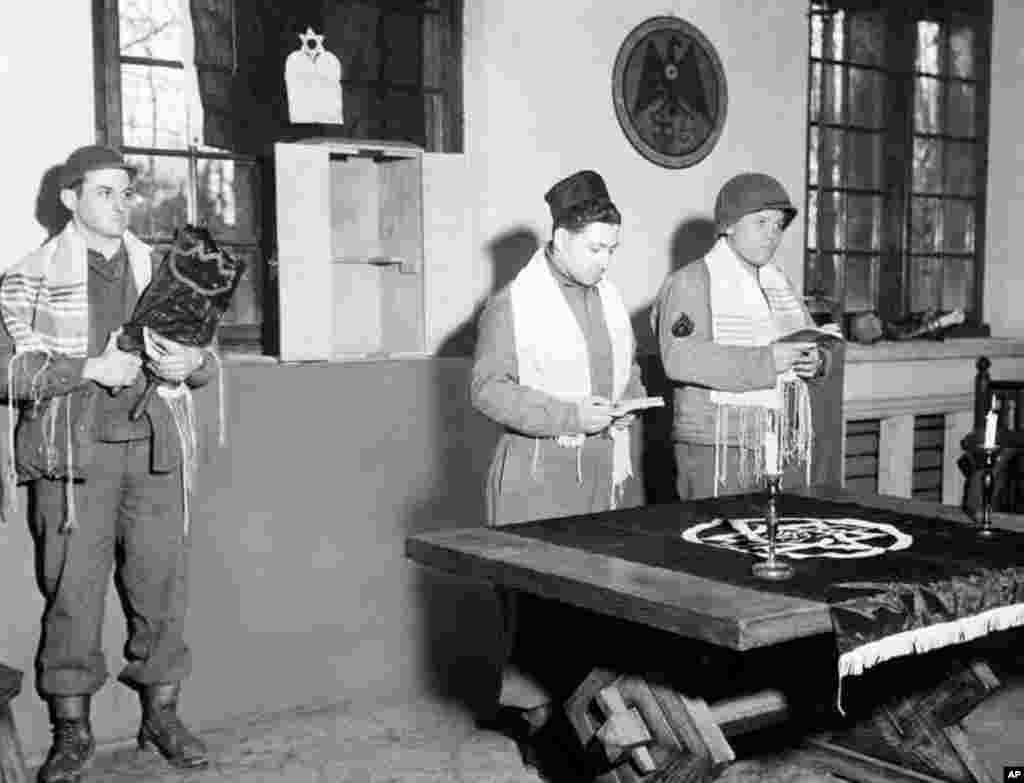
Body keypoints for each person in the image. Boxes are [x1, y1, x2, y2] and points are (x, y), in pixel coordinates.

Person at [0, 145, 215, 783]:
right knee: (71, 599)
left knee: (161, 593)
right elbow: (5, 371)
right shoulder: (27, 278)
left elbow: (204, 358)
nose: (120, 205)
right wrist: (88, 368)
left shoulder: (167, 272)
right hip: (72, 463)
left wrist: (191, 365)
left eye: (126, 193)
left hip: (152, 456)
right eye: (104, 192)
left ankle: (162, 717)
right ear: (70, 198)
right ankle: (73, 735)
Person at [470, 169, 646, 775]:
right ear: (561, 237)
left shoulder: (610, 300)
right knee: (540, 610)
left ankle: (589, 716)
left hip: (605, 469)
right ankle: (540, 726)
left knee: (601, 604)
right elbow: (488, 391)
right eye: (595, 248)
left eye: (612, 250)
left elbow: (627, 374)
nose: (605, 261)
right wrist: (569, 413)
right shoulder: (514, 304)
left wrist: (630, 403)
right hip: (540, 471)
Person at [651, 172, 841, 500]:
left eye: (779, 226)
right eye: (761, 222)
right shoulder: (692, 281)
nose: (772, 235)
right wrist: (768, 361)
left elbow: (809, 338)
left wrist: (815, 361)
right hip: (718, 441)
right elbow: (680, 359)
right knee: (715, 542)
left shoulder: (778, 283)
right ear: (728, 226)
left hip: (779, 434)